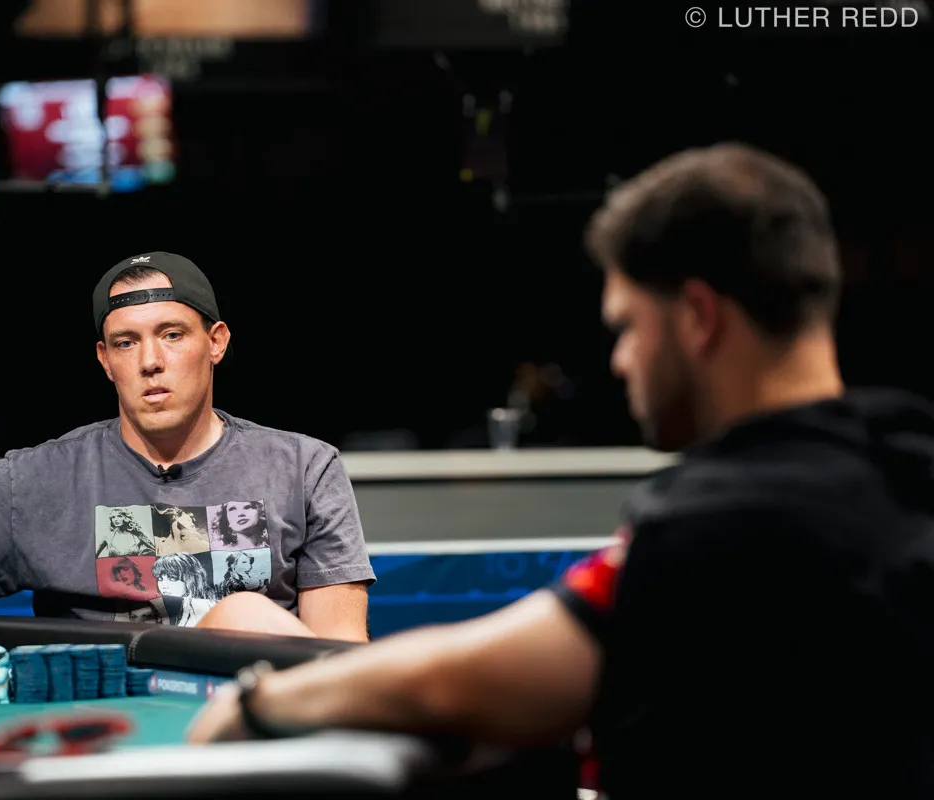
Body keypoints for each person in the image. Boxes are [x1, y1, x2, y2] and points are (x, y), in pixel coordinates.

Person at [186, 144, 934, 798]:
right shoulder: (907, 465)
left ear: (698, 318)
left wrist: (257, 705)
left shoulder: (721, 519)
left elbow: (456, 682)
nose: (621, 361)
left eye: (627, 327)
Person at [0, 251, 376, 690]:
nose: (150, 361)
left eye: (172, 335)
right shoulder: (38, 482)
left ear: (216, 342)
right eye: (126, 342)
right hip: (108, 729)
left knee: (245, 614)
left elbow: (339, 653)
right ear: (105, 360)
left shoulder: (303, 468)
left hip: (252, 725)